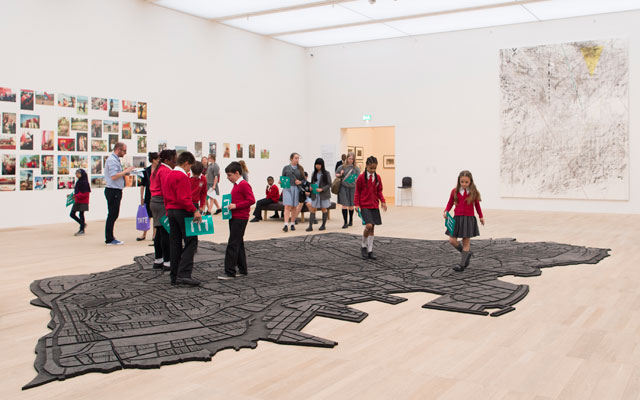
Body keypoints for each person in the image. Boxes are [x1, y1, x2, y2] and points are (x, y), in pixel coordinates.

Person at [163, 151, 202, 286]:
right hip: (182, 211)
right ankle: (184, 274)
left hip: (171, 212)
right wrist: (194, 210)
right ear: (186, 163)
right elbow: (183, 199)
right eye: (189, 166)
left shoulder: (169, 175)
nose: (189, 169)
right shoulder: (182, 177)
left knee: (175, 244)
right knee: (191, 242)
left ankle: (174, 275)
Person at [218, 161, 255, 280]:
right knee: (238, 243)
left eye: (229, 175)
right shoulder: (236, 185)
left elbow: (251, 200)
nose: (228, 178)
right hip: (235, 217)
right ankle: (242, 269)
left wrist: (236, 205)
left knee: (233, 244)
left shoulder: (244, 184)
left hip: (240, 217)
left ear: (237, 173)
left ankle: (230, 271)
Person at [443, 170, 485, 272]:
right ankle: (466, 254)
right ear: (459, 181)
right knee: (452, 240)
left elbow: (477, 206)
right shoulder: (454, 191)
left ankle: (462, 264)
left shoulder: (473, 192)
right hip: (457, 218)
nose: (464, 184)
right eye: (462, 182)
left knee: (466, 242)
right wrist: (446, 210)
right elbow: (450, 202)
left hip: (468, 219)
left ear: (470, 181)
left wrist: (481, 216)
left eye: (466, 182)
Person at [354, 156, 387, 260]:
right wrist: (356, 204)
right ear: (366, 166)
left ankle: (370, 250)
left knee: (372, 228)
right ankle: (363, 246)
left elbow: (379, 191)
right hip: (364, 205)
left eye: (374, 169)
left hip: (374, 205)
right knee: (368, 226)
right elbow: (357, 192)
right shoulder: (360, 178)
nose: (373, 171)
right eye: (371, 168)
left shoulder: (378, 178)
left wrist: (383, 201)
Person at [150, 149, 176, 270]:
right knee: (165, 232)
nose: (175, 162)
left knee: (159, 231)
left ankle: (158, 259)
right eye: (173, 160)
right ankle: (167, 261)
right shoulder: (165, 171)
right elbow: (167, 190)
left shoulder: (157, 170)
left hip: (154, 201)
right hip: (161, 202)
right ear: (167, 160)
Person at [104, 142, 133, 245]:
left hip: (115, 190)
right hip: (113, 190)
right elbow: (114, 176)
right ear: (118, 149)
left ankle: (110, 237)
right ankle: (109, 239)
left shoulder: (114, 159)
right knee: (112, 215)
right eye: (124, 151)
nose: (125, 153)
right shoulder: (112, 160)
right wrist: (126, 171)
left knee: (113, 214)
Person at [305, 158, 332, 232]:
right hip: (315, 194)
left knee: (324, 208)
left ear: (322, 165)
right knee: (313, 209)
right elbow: (312, 183)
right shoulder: (314, 173)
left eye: (319, 164)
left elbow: (329, 184)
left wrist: (322, 189)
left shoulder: (326, 173)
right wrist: (311, 187)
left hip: (323, 195)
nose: (317, 166)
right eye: (316, 164)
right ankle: (310, 226)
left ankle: (323, 225)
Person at [335, 151, 360, 229]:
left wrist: (356, 179)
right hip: (343, 187)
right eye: (349, 158)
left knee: (351, 205)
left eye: (352, 159)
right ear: (347, 158)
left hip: (353, 188)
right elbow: (336, 174)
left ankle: (351, 220)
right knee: (344, 205)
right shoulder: (342, 166)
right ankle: (345, 222)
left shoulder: (356, 168)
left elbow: (359, 178)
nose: (351, 160)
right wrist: (340, 174)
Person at [138, 152, 158, 241]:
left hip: (156, 194)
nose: (159, 161)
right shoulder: (146, 170)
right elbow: (142, 185)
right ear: (153, 160)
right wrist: (141, 197)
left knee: (155, 215)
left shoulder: (159, 170)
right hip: (148, 194)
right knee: (147, 215)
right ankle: (144, 233)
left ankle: (154, 234)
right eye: (157, 159)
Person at [280, 153, 304, 232]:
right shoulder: (286, 168)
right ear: (291, 159)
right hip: (287, 188)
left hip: (296, 189)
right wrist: (280, 181)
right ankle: (286, 224)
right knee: (287, 206)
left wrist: (300, 181)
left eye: (298, 158)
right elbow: (283, 177)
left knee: (294, 207)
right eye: (295, 158)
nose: (297, 160)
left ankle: (292, 223)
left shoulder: (300, 169)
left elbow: (304, 180)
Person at [70, 169, 90, 236]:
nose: (76, 174)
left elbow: (86, 194)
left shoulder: (85, 183)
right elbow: (77, 192)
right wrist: (73, 196)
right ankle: (83, 224)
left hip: (83, 201)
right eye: (76, 173)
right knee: (72, 214)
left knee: (81, 214)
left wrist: (75, 196)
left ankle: (82, 230)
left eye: (78, 173)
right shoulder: (78, 182)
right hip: (77, 200)